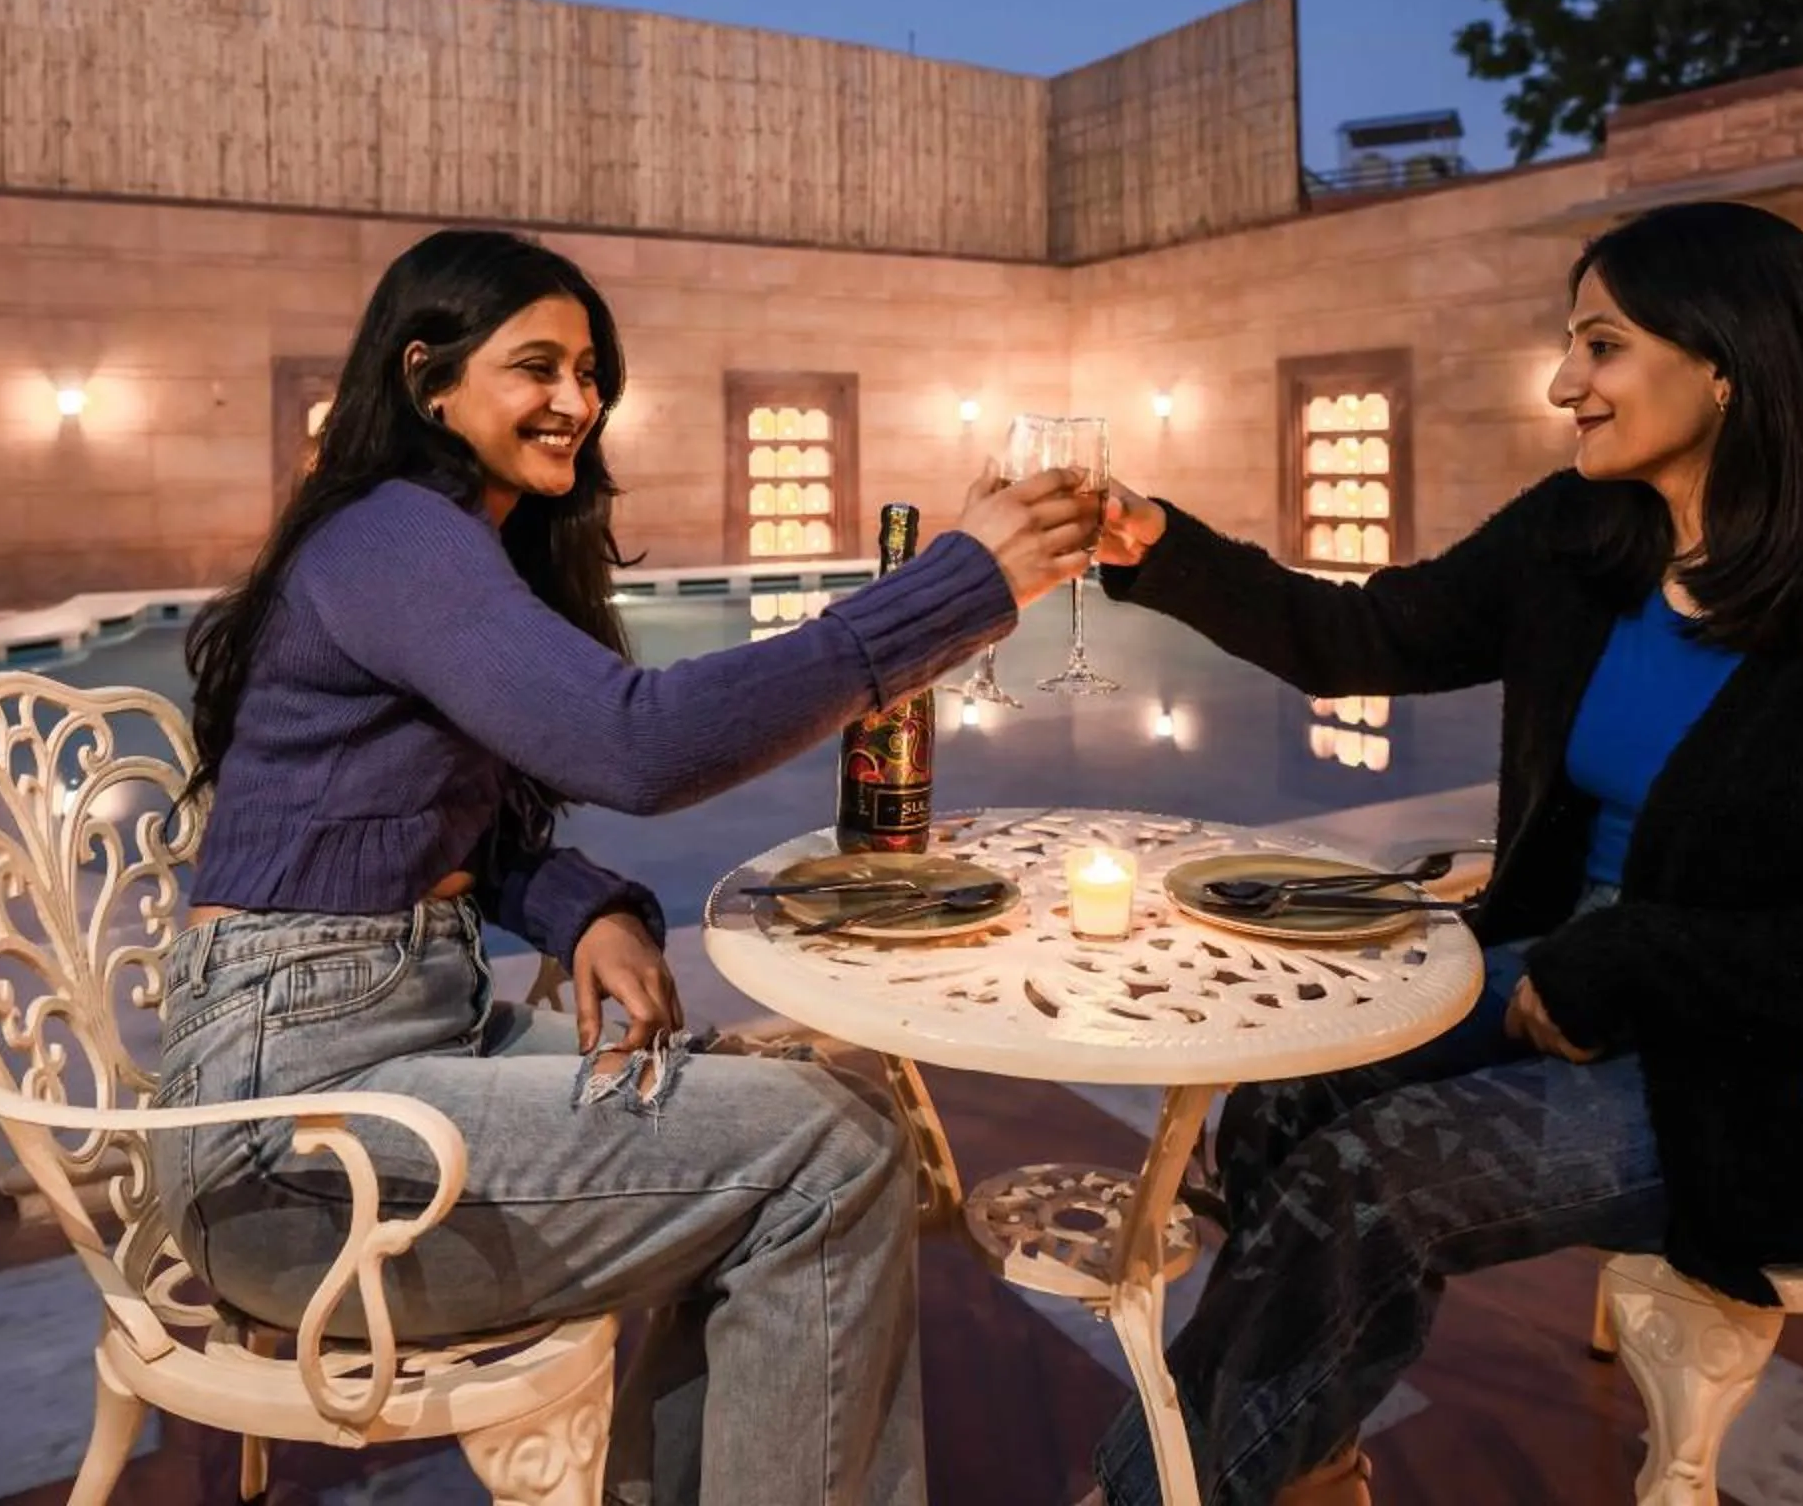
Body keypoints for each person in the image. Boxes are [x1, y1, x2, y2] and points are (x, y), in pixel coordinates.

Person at [1083, 200, 1803, 1506]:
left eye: (1600, 347)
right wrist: (1162, 547)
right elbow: (1368, 635)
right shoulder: (1585, 538)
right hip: (1568, 960)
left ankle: (1153, 1496)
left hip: (1770, 1076)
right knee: (1280, 1100)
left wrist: (1636, 963)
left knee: (1374, 1178)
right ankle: (1295, 1467)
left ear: (1726, 362)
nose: (1564, 385)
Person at [155, 227, 1099, 1506]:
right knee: (830, 1153)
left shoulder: (442, 545)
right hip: (293, 1146)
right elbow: (636, 743)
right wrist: (957, 587)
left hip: (386, 1045)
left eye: (589, 369)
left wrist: (575, 901)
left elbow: (429, 824)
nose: (576, 400)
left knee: (843, 1098)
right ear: (430, 381)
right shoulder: (393, 537)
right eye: (534, 365)